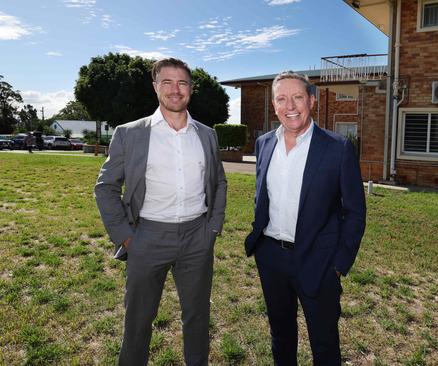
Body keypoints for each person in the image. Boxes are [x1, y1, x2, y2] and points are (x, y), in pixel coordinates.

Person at [94, 57, 227, 366]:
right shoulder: (130, 133)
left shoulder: (206, 134)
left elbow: (219, 181)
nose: (174, 90)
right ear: (155, 87)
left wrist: (213, 228)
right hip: (146, 237)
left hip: (198, 237)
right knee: (138, 320)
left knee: (197, 317)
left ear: (191, 89)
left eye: (182, 83)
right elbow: (106, 187)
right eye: (166, 82)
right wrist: (126, 237)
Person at [244, 71, 366, 365]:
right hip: (271, 257)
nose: (290, 105)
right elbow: (263, 197)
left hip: (319, 261)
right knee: (281, 336)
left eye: (297, 97)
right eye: (281, 98)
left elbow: (355, 211)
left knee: (324, 344)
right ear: (274, 105)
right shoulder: (264, 144)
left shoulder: (337, 148)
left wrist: (338, 264)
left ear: (311, 100)